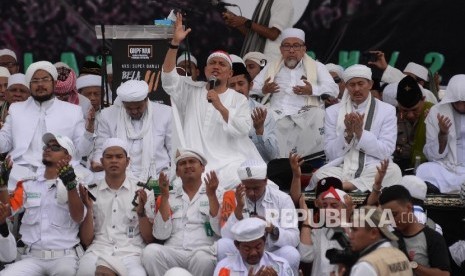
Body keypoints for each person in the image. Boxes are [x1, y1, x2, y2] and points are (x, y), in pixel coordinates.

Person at [162, 13, 264, 189]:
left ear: (230, 74)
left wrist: (220, 106)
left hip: (228, 161)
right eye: (213, 63)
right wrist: (174, 44)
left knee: (239, 175)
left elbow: (243, 128)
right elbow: (168, 78)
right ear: (205, 70)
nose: (216, 66)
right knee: (183, 182)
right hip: (196, 162)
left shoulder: (238, 99)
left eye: (222, 64)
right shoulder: (191, 90)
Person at [0, 61, 95, 190]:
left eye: (45, 79)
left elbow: (82, 150)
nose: (40, 84)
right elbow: (4, 144)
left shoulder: (73, 111)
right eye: (35, 81)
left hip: (60, 169)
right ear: (29, 85)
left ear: (54, 83)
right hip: (21, 170)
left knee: (88, 178)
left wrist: (89, 131)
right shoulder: (17, 109)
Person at [1, 133, 86, 275]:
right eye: (47, 146)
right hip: (31, 257)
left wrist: (70, 185)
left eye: (55, 147)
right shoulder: (27, 184)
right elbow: (6, 211)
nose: (48, 149)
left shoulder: (78, 185)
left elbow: (78, 217)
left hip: (64, 258)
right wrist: (2, 186)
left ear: (68, 158)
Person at [308, 64, 402, 192]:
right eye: (352, 85)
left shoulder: (387, 110)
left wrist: (360, 134)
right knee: (319, 176)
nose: (357, 89)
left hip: (372, 166)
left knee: (393, 171)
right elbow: (330, 153)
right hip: (342, 166)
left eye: (360, 83)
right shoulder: (333, 112)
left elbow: (386, 151)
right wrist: (348, 135)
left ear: (370, 84)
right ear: (346, 86)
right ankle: (355, 185)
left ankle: (346, 186)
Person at [251, 28, 338, 164]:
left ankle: (308, 161)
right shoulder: (271, 67)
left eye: (296, 46)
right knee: (264, 115)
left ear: (304, 49)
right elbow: (251, 88)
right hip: (277, 112)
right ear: (281, 49)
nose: (291, 50)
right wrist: (264, 89)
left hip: (306, 112)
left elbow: (334, 90)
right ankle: (276, 163)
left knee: (318, 114)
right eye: (287, 46)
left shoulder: (317, 67)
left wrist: (312, 90)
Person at [77, 138, 155, 276]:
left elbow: (149, 239)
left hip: (131, 253)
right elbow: (86, 240)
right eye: (109, 157)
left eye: (119, 157)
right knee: (84, 272)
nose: (114, 161)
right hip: (98, 250)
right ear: (102, 162)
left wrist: (141, 213)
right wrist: (88, 209)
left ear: (128, 162)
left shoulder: (143, 191)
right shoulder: (91, 192)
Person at [141, 148, 223, 276]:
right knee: (150, 252)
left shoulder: (217, 192)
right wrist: (165, 197)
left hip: (202, 251)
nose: (188, 166)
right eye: (183, 164)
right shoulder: (169, 194)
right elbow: (160, 235)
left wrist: (211, 196)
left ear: (202, 168)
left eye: (192, 162)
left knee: (205, 259)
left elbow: (220, 230)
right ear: (177, 172)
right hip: (173, 252)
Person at [219, 159, 300, 275]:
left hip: (272, 253)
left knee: (292, 253)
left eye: (256, 188)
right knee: (222, 245)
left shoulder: (283, 199)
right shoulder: (235, 197)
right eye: (247, 188)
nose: (251, 193)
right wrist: (238, 210)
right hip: (244, 253)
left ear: (265, 181)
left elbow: (294, 238)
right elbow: (225, 236)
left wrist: (272, 229)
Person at [92, 79, 172, 183]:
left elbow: (173, 149)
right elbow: (101, 148)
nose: (134, 111)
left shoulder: (166, 113)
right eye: (129, 108)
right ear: (122, 103)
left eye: (139, 107)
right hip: (119, 177)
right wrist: (98, 162)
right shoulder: (107, 116)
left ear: (146, 100)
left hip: (157, 175)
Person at [379, 185, 451, 275]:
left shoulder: (432, 238)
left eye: (394, 214)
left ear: (408, 208)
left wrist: (412, 265)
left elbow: (444, 274)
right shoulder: (389, 239)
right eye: (387, 216)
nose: (391, 221)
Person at [416, 74, 465, 194]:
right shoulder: (436, 112)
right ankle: (458, 187)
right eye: (457, 102)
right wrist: (442, 135)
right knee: (424, 170)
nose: (461, 107)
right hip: (446, 168)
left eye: (464, 102)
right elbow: (431, 156)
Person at [228, 58, 279, 163]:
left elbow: (272, 156)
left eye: (241, 83)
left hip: (257, 172)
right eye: (232, 85)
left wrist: (259, 131)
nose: (237, 89)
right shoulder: (218, 111)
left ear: (250, 85)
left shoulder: (263, 113)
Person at [298, 185, 352, 276]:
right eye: (324, 206)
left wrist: (345, 218)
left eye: (334, 206)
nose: (328, 210)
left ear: (345, 208)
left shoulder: (356, 232)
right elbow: (305, 256)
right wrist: (307, 219)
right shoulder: (318, 232)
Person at [214, 217, 293, 276]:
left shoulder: (281, 265)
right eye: (247, 249)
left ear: (264, 241)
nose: (253, 253)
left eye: (258, 247)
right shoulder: (225, 267)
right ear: (237, 245)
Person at [348, 206, 412, 276]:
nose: (350, 236)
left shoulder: (366, 265)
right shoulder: (401, 255)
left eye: (354, 230)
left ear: (373, 233)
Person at [221, 0, 294, 62]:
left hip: (272, 60)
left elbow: (273, 34)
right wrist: (236, 22)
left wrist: (246, 22)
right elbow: (253, 35)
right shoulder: (263, 2)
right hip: (256, 60)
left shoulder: (283, 1)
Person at [393, 75, 434, 175]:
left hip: (426, 169)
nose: (410, 115)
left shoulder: (433, 113)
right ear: (398, 103)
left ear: (423, 100)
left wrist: (433, 126)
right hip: (397, 168)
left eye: (415, 110)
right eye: (405, 111)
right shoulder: (391, 115)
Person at [369, 51, 437, 104]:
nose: (403, 79)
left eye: (407, 77)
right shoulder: (397, 93)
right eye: (403, 75)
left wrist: (386, 68)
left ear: (420, 83)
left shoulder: (427, 95)